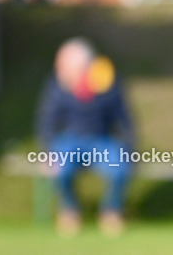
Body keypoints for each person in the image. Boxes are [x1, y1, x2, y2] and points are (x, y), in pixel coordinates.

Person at [35, 38, 134, 236]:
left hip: (101, 140)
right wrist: (47, 152)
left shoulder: (107, 82)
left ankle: (111, 211)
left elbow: (124, 119)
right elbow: (46, 121)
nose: (60, 67)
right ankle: (70, 210)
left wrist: (130, 149)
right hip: (70, 140)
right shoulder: (56, 85)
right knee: (60, 169)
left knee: (120, 168)